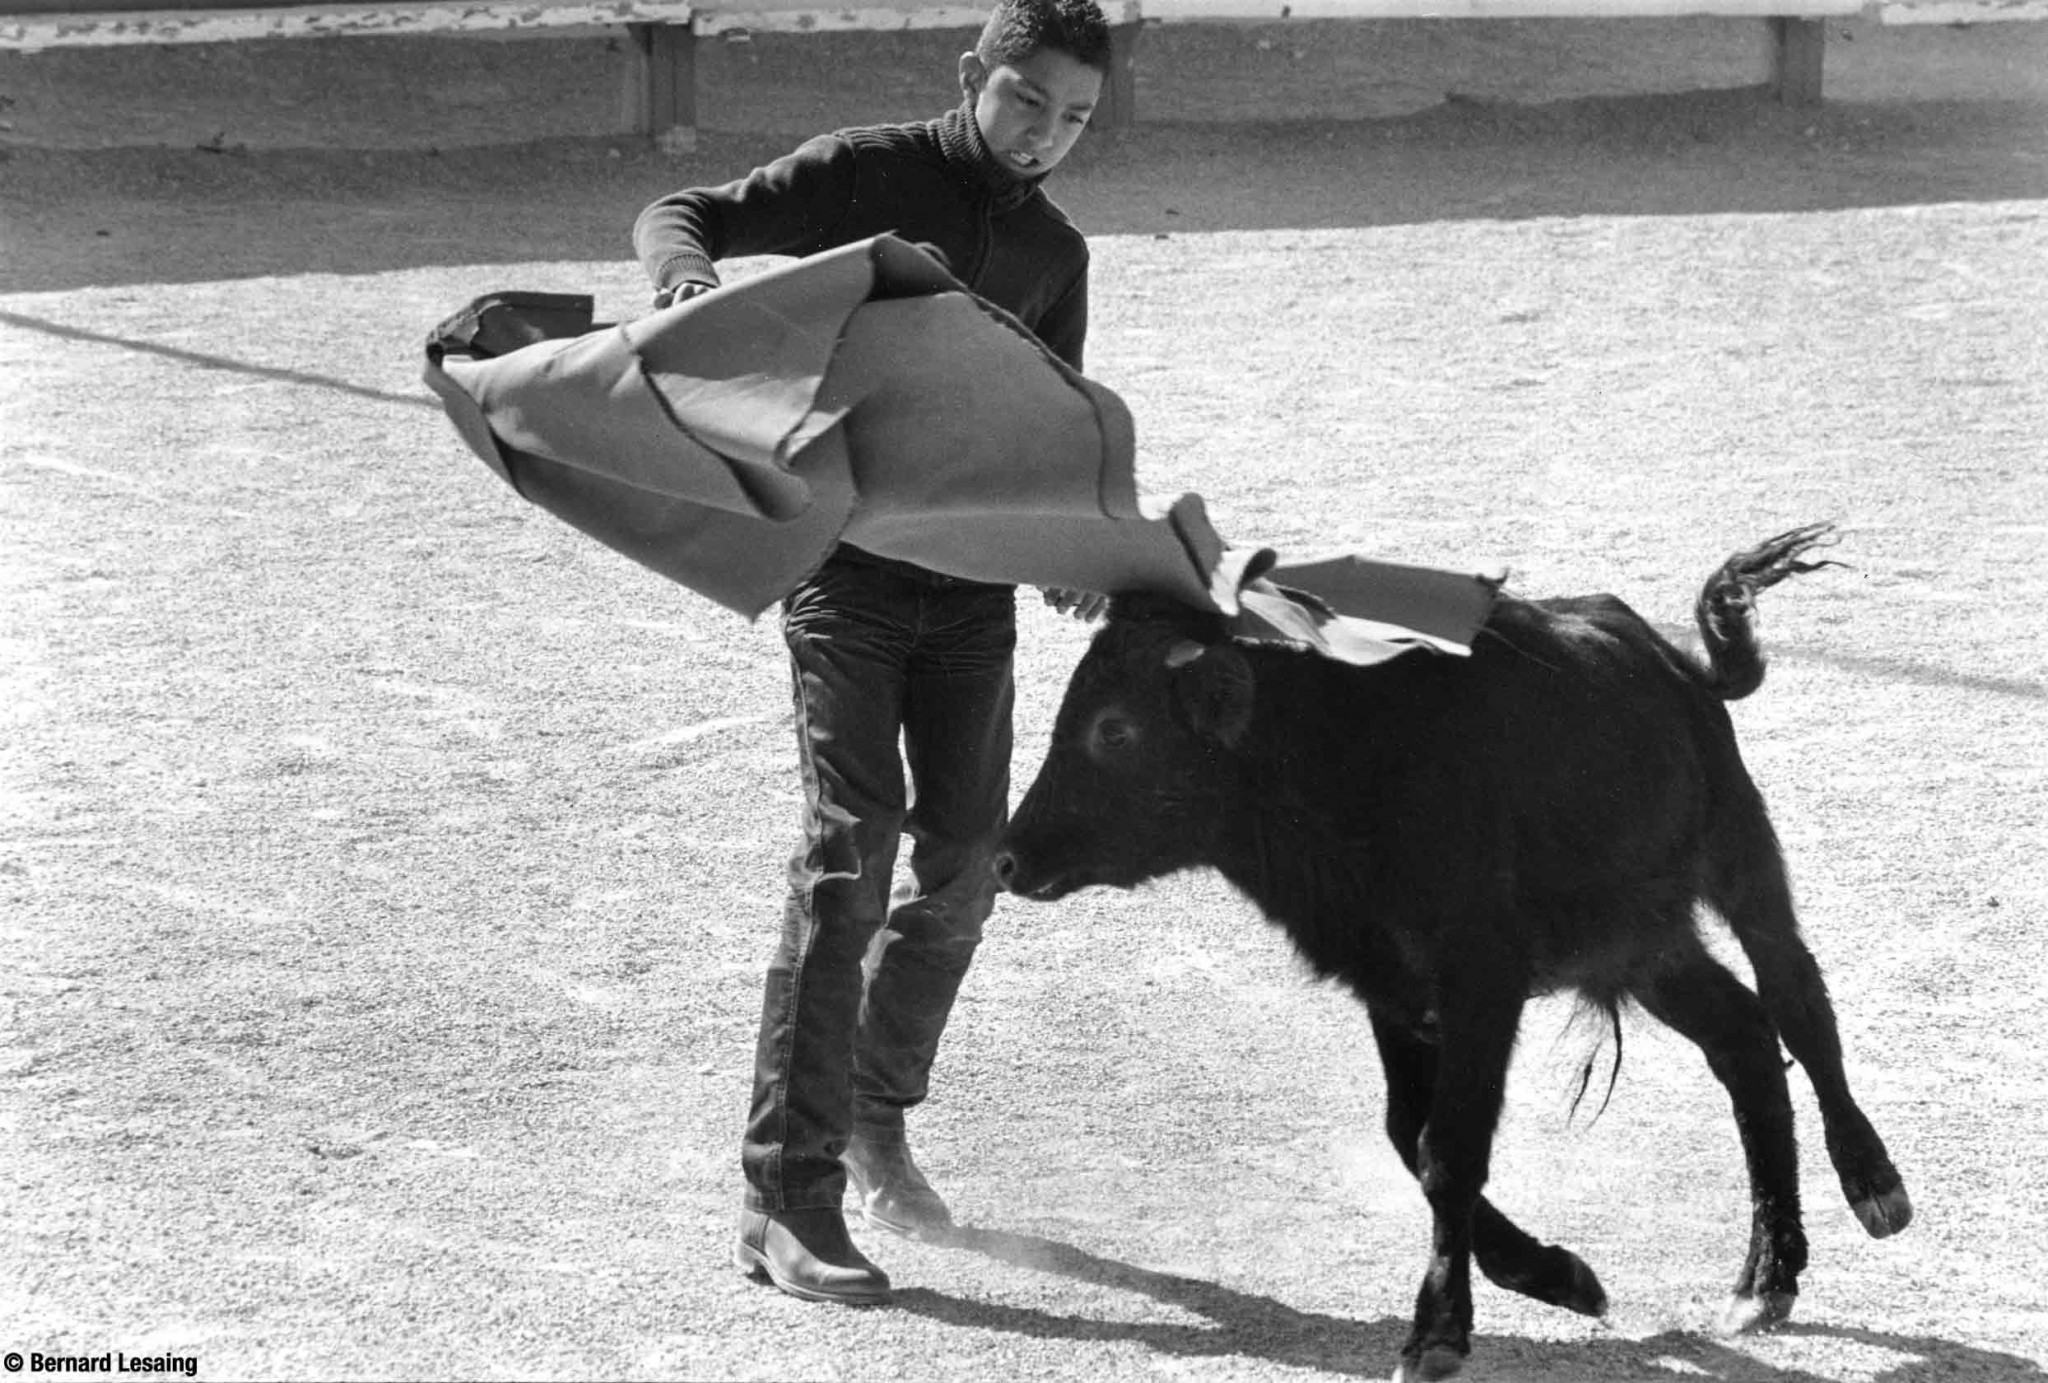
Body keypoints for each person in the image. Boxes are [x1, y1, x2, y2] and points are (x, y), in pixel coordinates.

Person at [633, 0, 1116, 1306]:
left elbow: (1043, 439)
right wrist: (689, 287)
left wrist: (1070, 552)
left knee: (964, 866)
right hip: (843, 577)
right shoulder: (867, 172)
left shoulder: (1060, 254)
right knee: (852, 857)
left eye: (1073, 120)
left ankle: (873, 1114)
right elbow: (684, 212)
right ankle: (784, 1201)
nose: (1043, 137)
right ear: (975, 73)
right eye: (1027, 103)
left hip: (968, 603)